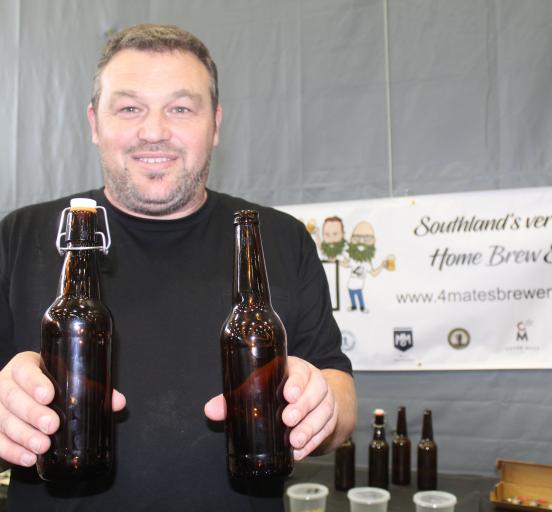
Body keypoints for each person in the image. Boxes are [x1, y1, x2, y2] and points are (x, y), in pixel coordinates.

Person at [0, 24, 356, 510]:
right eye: (129, 108)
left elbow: (341, 400)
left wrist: (319, 404)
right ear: (93, 122)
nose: (154, 131)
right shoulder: (18, 237)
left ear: (216, 124)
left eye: (180, 108)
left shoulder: (278, 238)